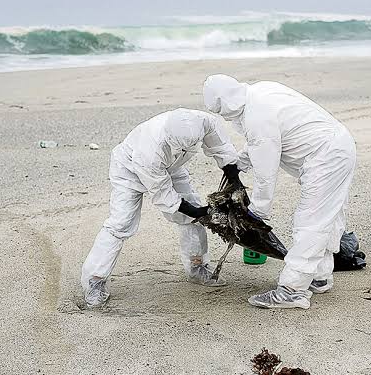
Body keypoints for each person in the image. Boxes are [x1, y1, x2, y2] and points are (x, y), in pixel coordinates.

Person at [203, 74, 356, 310]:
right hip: (338, 147)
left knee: (311, 220)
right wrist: (239, 164)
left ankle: (292, 291)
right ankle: (319, 276)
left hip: (325, 157)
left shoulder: (256, 116)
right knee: (328, 218)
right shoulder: (261, 91)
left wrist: (258, 211)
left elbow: (266, 170)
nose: (225, 116)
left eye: (223, 112)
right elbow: (261, 143)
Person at [80, 108, 241, 307]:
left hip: (171, 167)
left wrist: (234, 179)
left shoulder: (203, 122)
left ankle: (197, 267)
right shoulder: (150, 149)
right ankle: (95, 280)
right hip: (128, 169)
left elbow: (222, 147)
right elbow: (164, 195)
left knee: (190, 218)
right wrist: (200, 212)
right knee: (121, 224)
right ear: (169, 137)